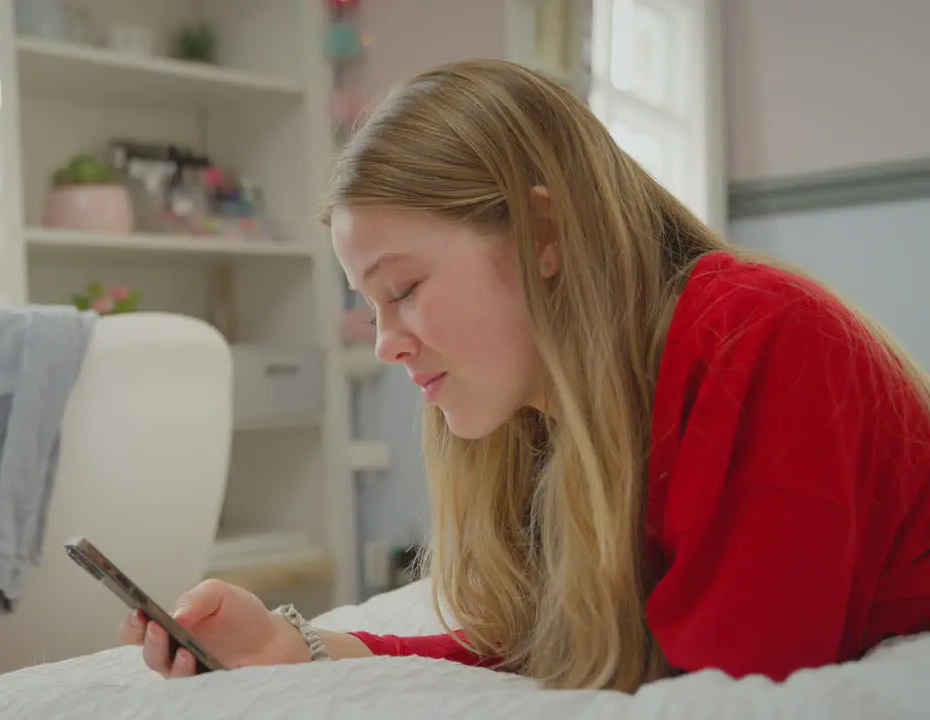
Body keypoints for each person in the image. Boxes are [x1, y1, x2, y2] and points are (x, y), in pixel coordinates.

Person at [120, 58, 930, 692]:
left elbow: (723, 683)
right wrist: (300, 645)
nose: (386, 345)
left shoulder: (760, 336)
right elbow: (558, 645)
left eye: (403, 290)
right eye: (372, 307)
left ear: (545, 232)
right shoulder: (551, 415)